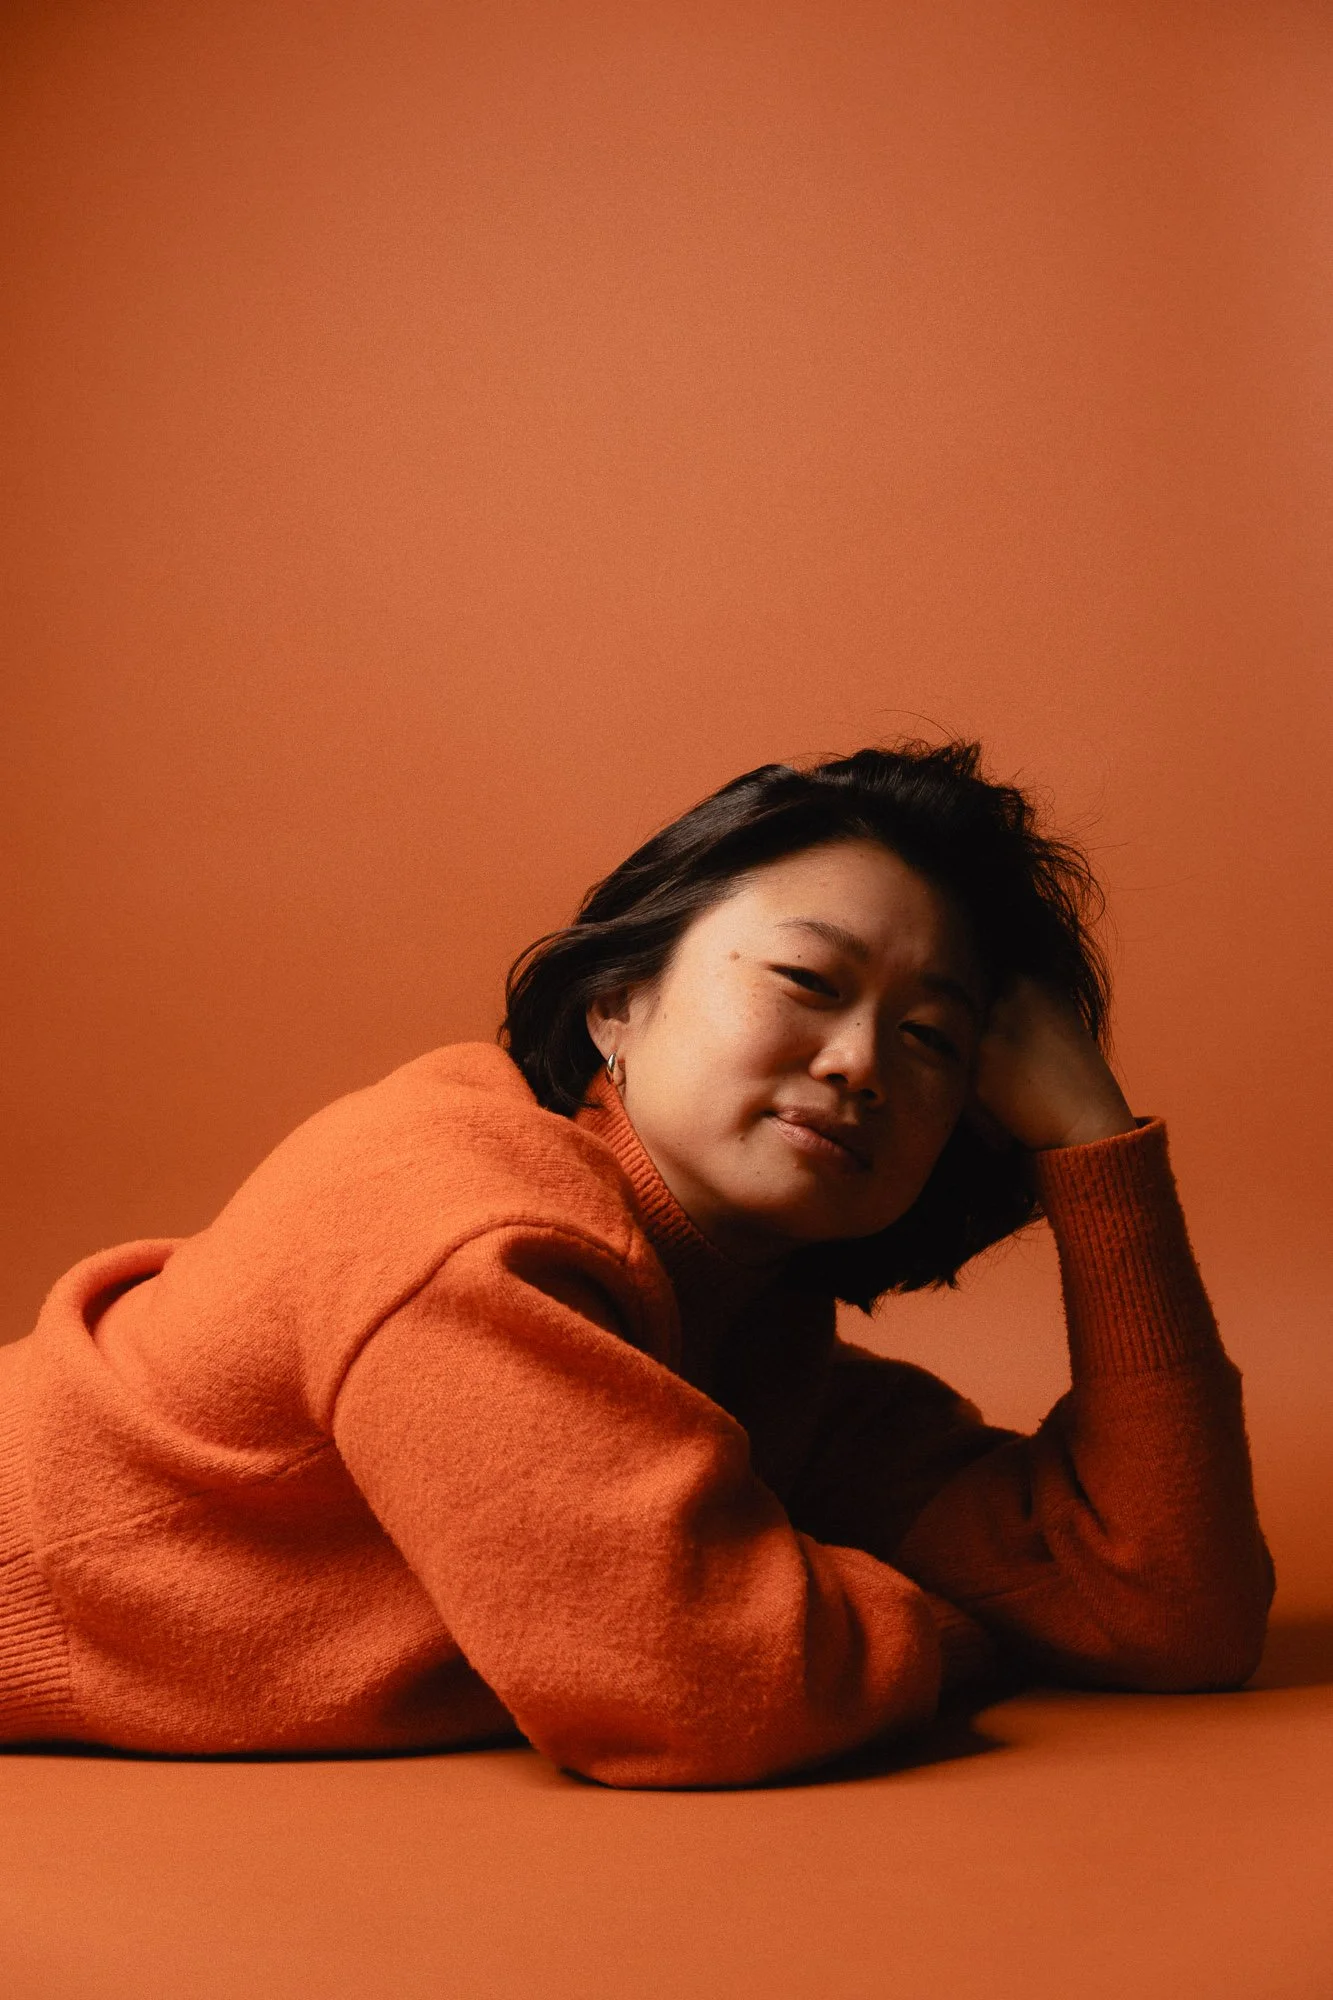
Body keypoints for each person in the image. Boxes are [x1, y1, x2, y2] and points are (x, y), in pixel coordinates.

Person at [0, 742, 1274, 1787]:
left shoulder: (750, 1344)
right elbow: (703, 1688)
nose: (859, 1061)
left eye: (932, 1036)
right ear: (617, 999)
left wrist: (1099, 1153)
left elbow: (1163, 1603)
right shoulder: (459, 1217)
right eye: (804, 978)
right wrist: (935, 1616)